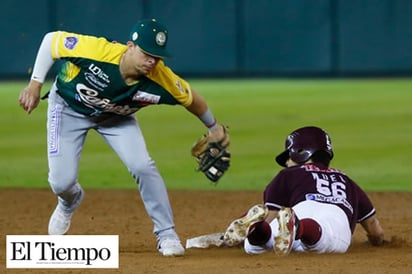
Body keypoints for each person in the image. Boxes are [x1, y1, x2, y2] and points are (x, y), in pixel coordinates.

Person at [18, 18, 228, 257]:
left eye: (157, 56)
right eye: (147, 53)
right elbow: (51, 41)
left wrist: (214, 128)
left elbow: (193, 100)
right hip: (67, 108)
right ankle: (68, 201)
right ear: (130, 46)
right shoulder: (98, 51)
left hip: (116, 119)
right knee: (61, 183)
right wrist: (35, 84)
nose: (152, 61)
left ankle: (167, 234)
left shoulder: (161, 78)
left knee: (143, 166)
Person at [223, 126, 384, 255]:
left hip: (300, 208)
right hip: (333, 216)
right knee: (324, 240)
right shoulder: (347, 180)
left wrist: (229, 240)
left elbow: (270, 215)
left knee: (257, 248)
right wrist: (376, 241)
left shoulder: (288, 174)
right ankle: (300, 228)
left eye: (289, 156)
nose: (286, 161)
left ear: (302, 153)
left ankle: (258, 231)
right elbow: (373, 227)